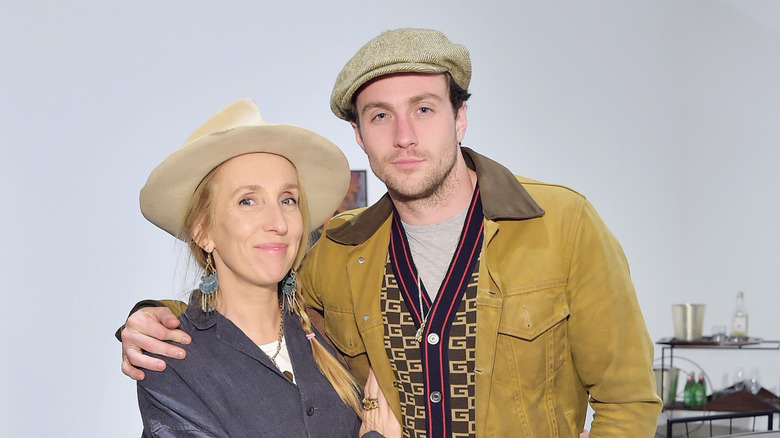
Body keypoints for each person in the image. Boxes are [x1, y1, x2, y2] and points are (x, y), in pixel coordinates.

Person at [121, 29, 662, 437]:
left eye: (423, 109)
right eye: (381, 116)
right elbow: (255, 295)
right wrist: (151, 318)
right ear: (359, 135)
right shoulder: (337, 252)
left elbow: (628, 400)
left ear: (460, 116)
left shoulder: (561, 225)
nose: (404, 137)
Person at [131, 98, 399, 438]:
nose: (278, 222)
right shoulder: (172, 363)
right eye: (248, 200)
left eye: (288, 200)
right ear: (203, 230)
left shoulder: (328, 333)